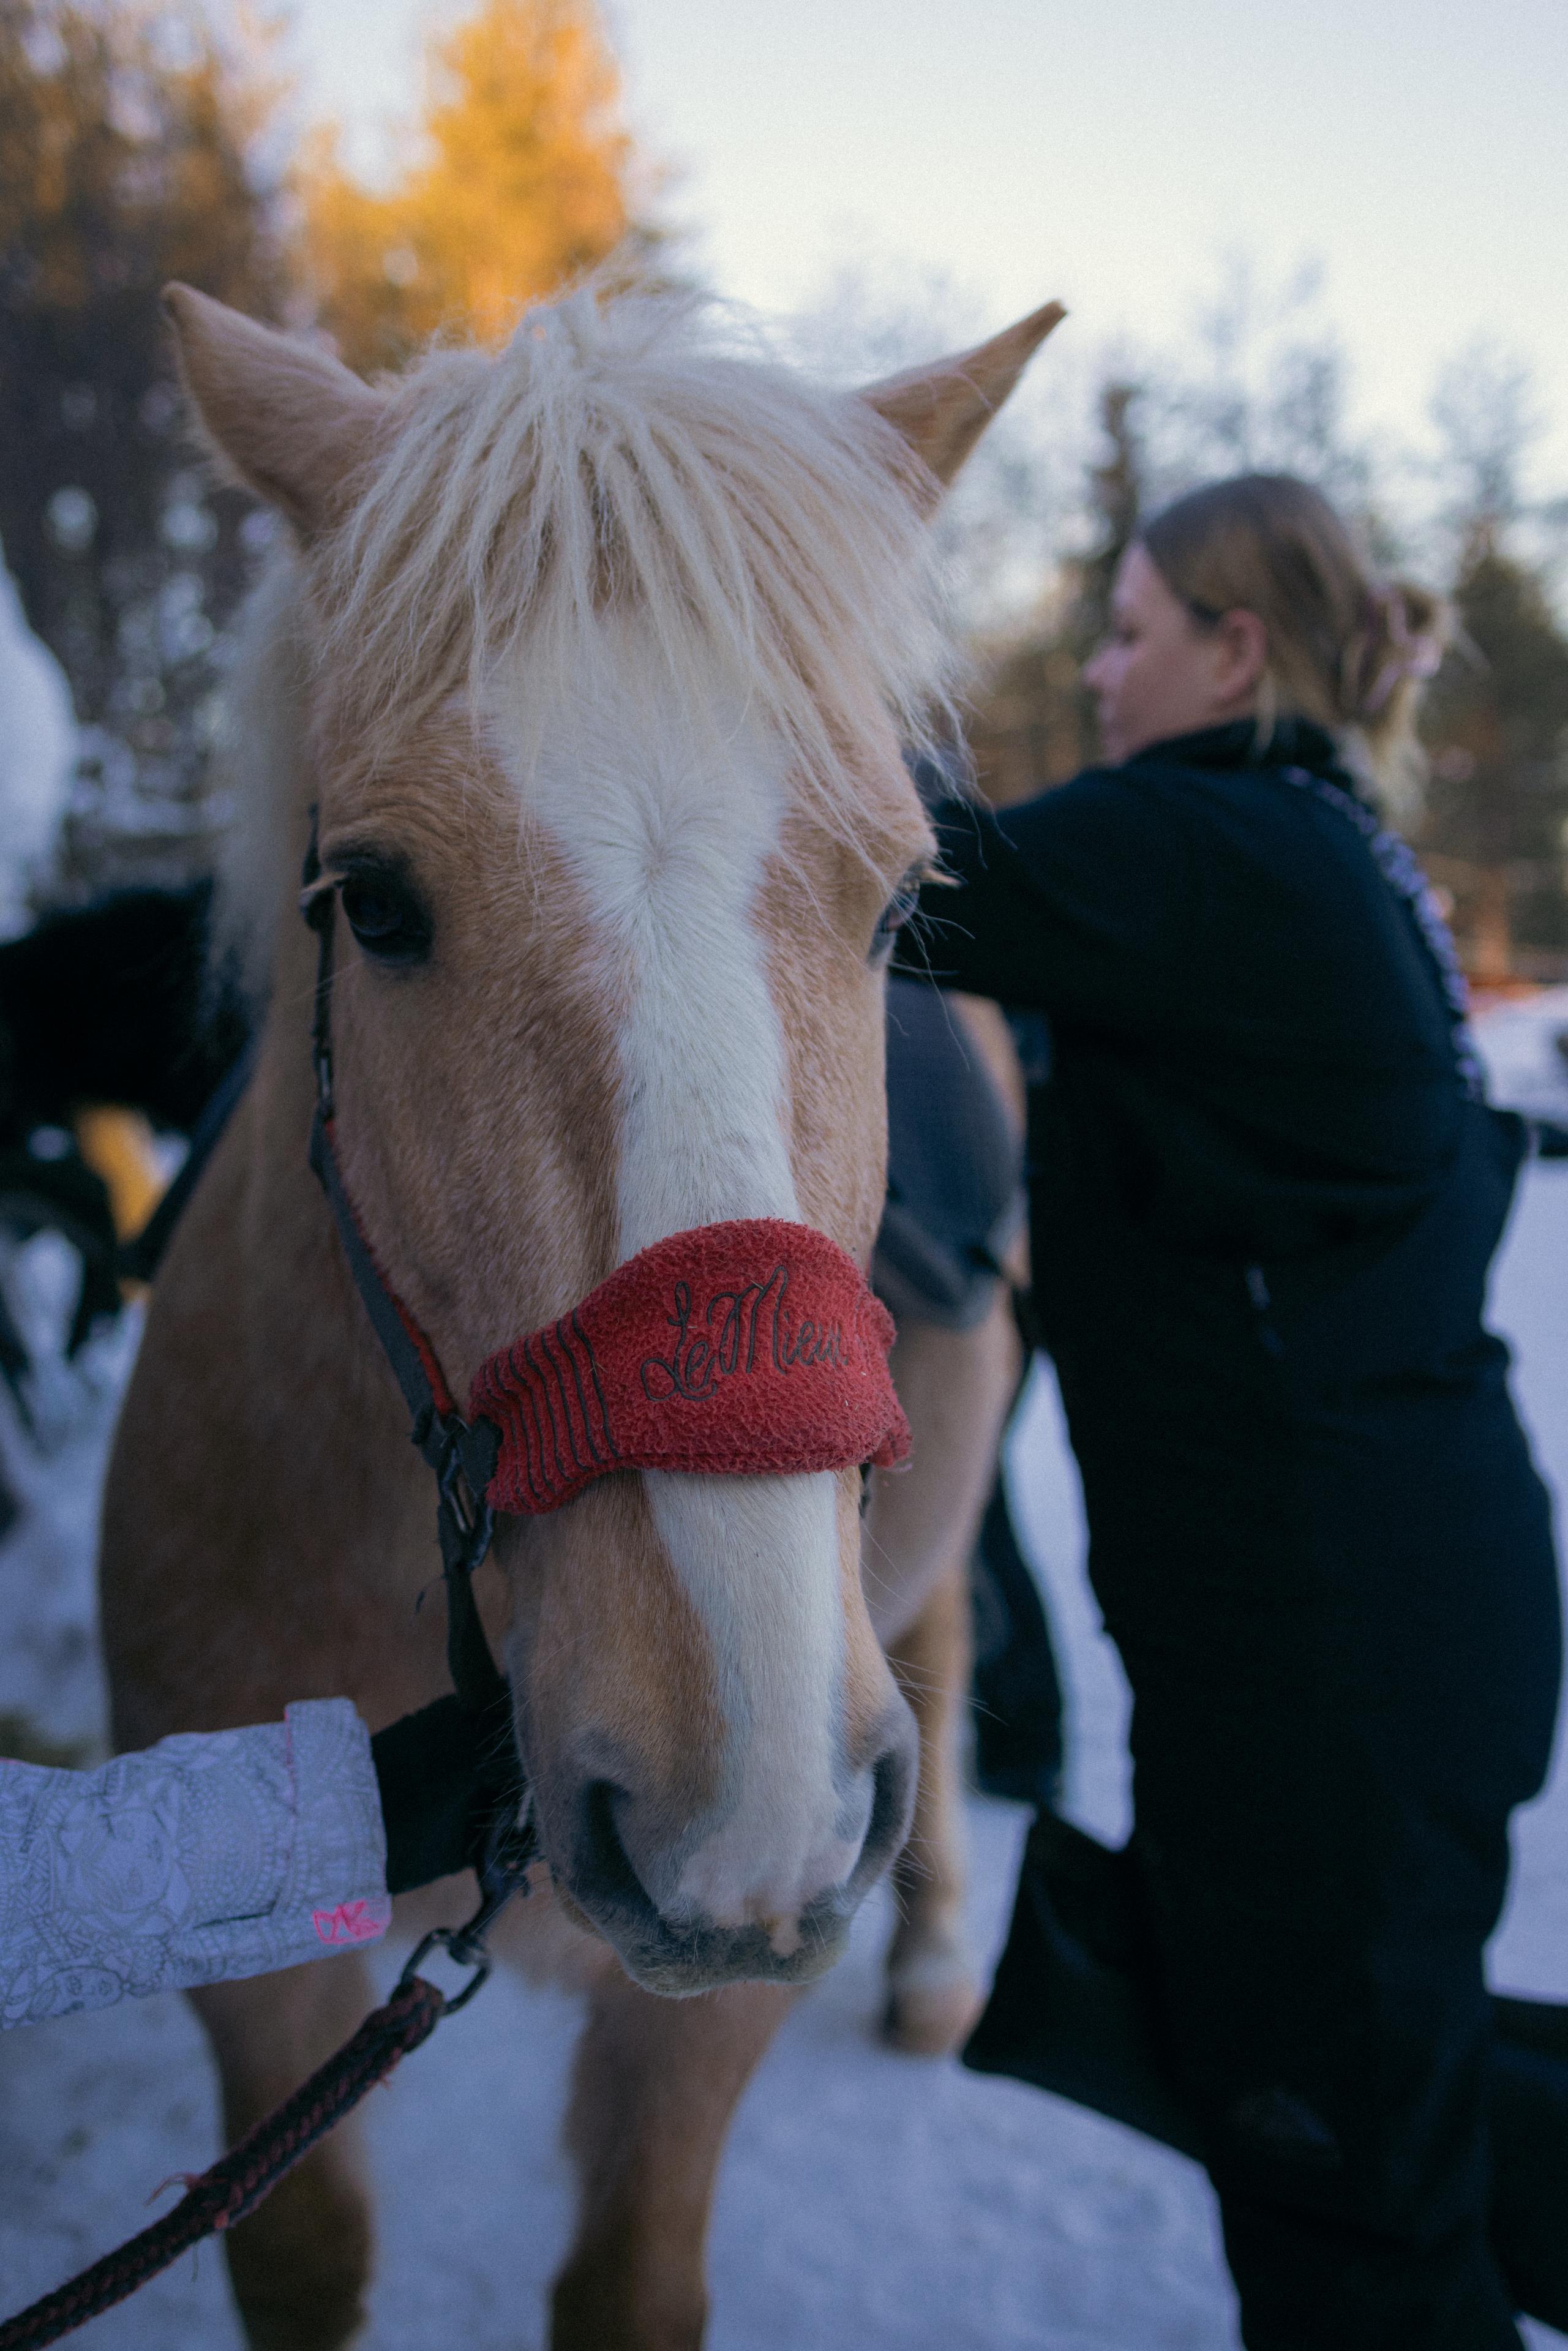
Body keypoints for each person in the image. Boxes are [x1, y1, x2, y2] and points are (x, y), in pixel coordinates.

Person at [896, 474, 1564, 2347]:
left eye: (1126, 632)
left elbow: (872, 871)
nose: (1099, 675)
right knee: (1349, 2084)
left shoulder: (1205, 843)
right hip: (1390, 1617)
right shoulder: (1313, 843)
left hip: (1325, 1664)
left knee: (1343, 2214)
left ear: (1234, 648)